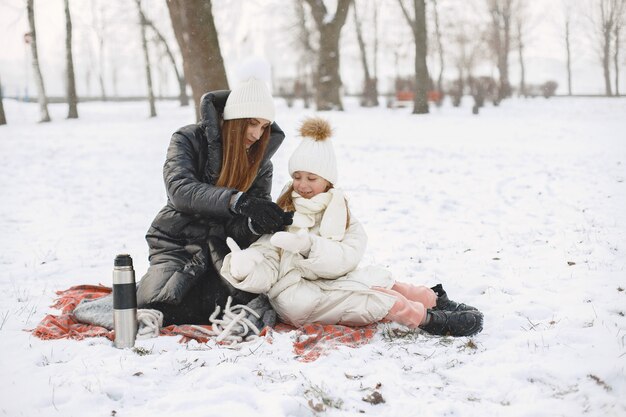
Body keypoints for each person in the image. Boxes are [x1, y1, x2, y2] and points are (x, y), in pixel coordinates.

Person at [220, 117, 483, 337]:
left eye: (312, 178)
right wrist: (248, 265)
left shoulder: (340, 212)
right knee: (375, 298)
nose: (302, 185)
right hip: (297, 295)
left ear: (328, 181)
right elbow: (268, 255)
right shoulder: (285, 210)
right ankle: (428, 320)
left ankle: (433, 300)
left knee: (380, 279)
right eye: (297, 177)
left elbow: (347, 258)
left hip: (333, 280)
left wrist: (310, 247)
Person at [136, 77, 293, 326]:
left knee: (228, 304)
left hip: (223, 247)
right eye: (252, 123)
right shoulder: (187, 138)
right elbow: (180, 190)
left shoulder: (261, 164)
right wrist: (237, 201)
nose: (257, 133)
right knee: (155, 302)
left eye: (264, 126)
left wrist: (258, 223)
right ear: (233, 118)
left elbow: (241, 229)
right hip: (177, 241)